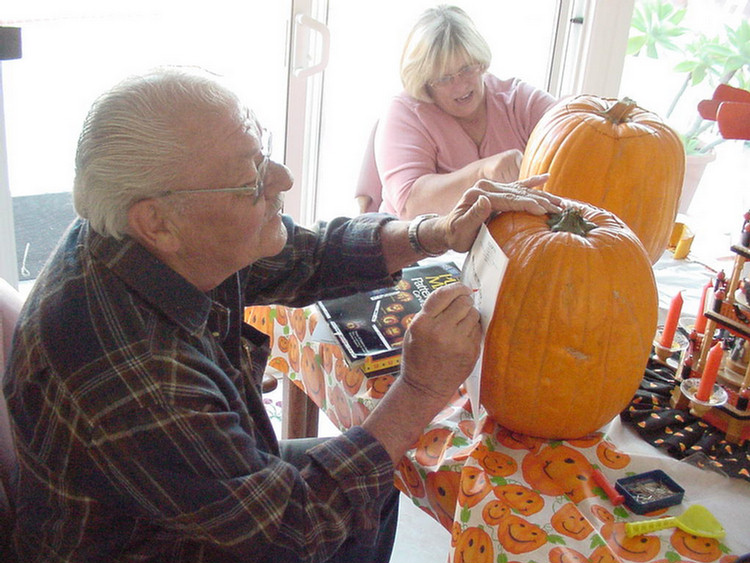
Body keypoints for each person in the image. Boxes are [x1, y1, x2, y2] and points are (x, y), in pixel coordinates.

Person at [2, 66, 561, 562]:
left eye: (262, 149)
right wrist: (419, 389)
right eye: (251, 179)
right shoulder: (132, 370)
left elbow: (306, 254)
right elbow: (292, 531)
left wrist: (434, 231)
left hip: (186, 489)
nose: (282, 179)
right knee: (362, 478)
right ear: (158, 222)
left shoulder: (153, 235)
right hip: (147, 544)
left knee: (375, 476)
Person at [365, 4, 558, 219]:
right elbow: (412, 206)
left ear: (481, 62)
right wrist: (483, 173)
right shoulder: (405, 112)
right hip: (427, 248)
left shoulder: (517, 99)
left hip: (512, 241)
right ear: (425, 81)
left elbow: (572, 127)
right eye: (444, 78)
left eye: (467, 69)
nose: (460, 86)